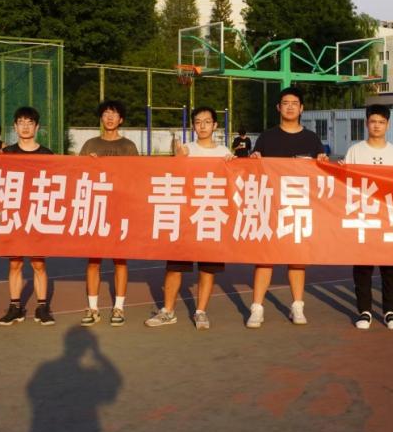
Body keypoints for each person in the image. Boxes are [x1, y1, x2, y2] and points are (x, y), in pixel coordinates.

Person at [145, 106, 234, 330]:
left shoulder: (224, 152)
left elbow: (232, 182)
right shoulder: (186, 149)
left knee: (207, 268)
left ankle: (201, 312)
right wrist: (178, 159)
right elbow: (173, 176)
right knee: (175, 266)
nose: (202, 126)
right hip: (185, 216)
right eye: (198, 122)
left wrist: (233, 164)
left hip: (211, 215)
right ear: (193, 125)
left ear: (215, 125)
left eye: (207, 122)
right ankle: (168, 311)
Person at [247, 86, 328, 328]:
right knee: (265, 258)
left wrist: (323, 162)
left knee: (296, 258)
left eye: (294, 103)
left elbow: (321, 173)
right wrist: (253, 161)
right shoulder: (267, 137)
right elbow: (253, 169)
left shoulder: (312, 139)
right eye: (285, 103)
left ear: (301, 108)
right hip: (271, 205)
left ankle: (297, 306)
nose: (290, 107)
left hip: (298, 206)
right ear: (278, 108)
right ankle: (257, 308)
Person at [344, 105, 393, 330]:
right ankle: (364, 311)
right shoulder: (355, 151)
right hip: (363, 216)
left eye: (381, 122)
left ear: (388, 125)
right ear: (366, 123)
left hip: (388, 216)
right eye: (373, 121)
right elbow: (345, 181)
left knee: (390, 267)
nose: (377, 126)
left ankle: (390, 312)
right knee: (363, 266)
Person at [79, 100, 138, 327]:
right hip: (96, 208)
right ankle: (93, 307)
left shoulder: (128, 147)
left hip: (120, 208)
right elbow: (78, 174)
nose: (110, 118)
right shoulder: (90, 145)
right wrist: (88, 164)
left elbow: (137, 177)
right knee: (93, 260)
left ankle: (119, 307)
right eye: (105, 114)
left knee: (120, 260)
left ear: (121, 119)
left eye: (114, 114)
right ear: (101, 118)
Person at [0, 106, 56, 327]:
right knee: (15, 264)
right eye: (21, 122)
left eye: (29, 123)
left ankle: (42, 306)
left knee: (38, 264)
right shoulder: (6, 154)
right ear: (14, 126)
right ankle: (15, 307)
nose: (25, 126)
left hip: (37, 215)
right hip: (14, 215)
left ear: (37, 127)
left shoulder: (47, 155)